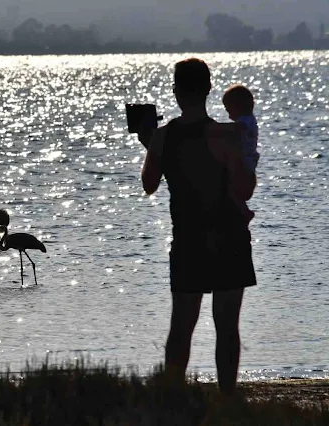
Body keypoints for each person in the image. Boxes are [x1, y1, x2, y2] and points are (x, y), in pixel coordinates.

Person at [138, 58, 257, 396]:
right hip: (229, 239)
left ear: (176, 92)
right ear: (208, 88)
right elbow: (245, 189)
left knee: (181, 329)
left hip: (188, 241)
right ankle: (228, 400)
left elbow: (149, 185)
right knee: (227, 327)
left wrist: (150, 146)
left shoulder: (162, 137)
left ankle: (171, 398)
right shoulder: (224, 135)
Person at [222, 84, 259, 224]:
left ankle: (244, 211)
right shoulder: (249, 119)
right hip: (248, 159)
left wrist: (215, 128)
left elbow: (237, 129)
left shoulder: (245, 121)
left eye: (229, 110)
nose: (229, 115)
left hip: (245, 160)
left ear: (238, 107)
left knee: (229, 187)